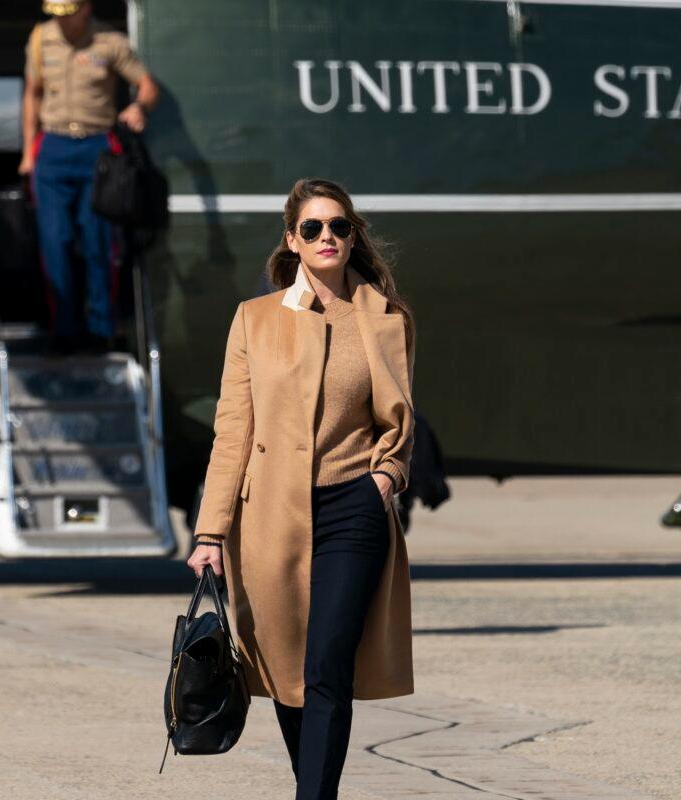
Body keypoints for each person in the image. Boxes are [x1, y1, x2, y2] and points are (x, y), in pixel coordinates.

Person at [187, 179, 415, 800]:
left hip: (353, 509)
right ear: (291, 240)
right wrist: (211, 531)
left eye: (339, 226)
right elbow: (232, 431)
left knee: (326, 668)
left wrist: (384, 478)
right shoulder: (253, 321)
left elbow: (399, 422)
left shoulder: (385, 319)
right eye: (312, 228)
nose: (327, 238)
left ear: (353, 235)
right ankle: (314, 786)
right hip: (270, 517)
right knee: (287, 672)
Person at [18, 0, 160, 353]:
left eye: (68, 11)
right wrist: (26, 152)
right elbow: (31, 95)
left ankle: (100, 328)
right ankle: (62, 330)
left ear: (85, 8)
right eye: (56, 12)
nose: (61, 20)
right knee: (55, 241)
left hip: (97, 147)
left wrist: (138, 106)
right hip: (51, 146)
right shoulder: (40, 38)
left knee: (99, 241)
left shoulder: (110, 42)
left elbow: (147, 85)